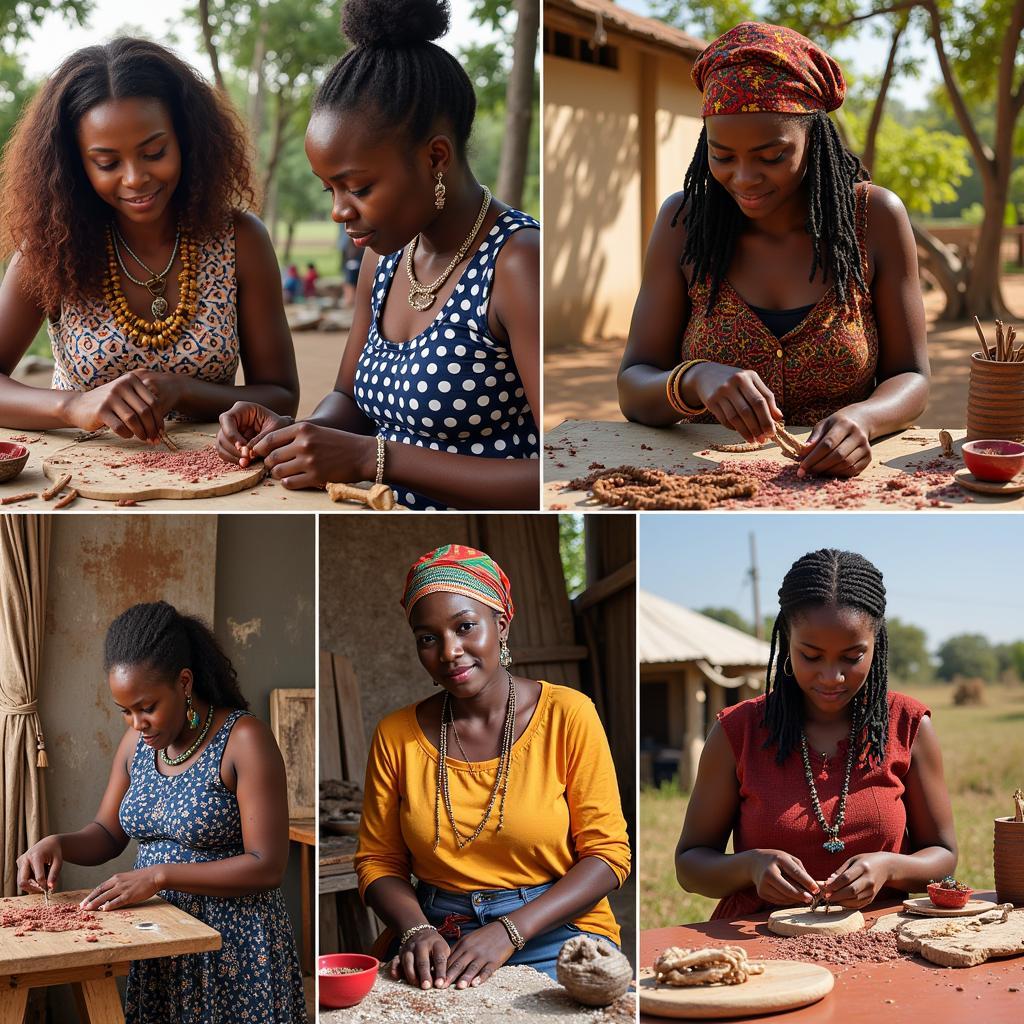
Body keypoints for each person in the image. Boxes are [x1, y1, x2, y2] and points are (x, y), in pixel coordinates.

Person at [216, 0, 540, 510]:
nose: (340, 212)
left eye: (358, 188)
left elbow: (556, 476)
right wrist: (296, 435)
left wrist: (375, 459)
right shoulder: (385, 255)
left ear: (436, 156)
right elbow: (349, 400)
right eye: (330, 191)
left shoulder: (518, 262)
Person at [618, 22, 929, 479]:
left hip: (842, 481)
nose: (744, 178)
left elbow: (912, 377)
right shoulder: (682, 224)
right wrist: (695, 378)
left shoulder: (873, 218)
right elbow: (633, 384)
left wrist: (865, 417)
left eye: (771, 156)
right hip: (704, 483)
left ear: (813, 138)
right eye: (722, 157)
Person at [16, 602, 307, 1023]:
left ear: (184, 682)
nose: (137, 723)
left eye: (147, 707)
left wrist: (158, 875)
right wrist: (57, 843)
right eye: (126, 711)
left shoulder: (243, 739)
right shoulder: (136, 747)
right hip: (159, 940)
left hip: (232, 949)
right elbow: (107, 832)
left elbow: (267, 867)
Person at [354, 545, 630, 988]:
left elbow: (608, 855)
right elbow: (378, 862)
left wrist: (510, 930)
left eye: (465, 627)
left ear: (500, 625)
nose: (449, 651)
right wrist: (416, 929)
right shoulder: (396, 735)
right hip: (437, 932)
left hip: (555, 926)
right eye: (428, 638)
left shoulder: (567, 714)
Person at [0, 38, 299, 443]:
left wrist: (183, 390)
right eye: (107, 162)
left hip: (213, 476)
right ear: (75, 164)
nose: (135, 178)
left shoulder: (240, 241)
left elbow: (282, 397)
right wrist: (73, 405)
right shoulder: (50, 249)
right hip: (77, 482)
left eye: (154, 153)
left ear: (186, 139)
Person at [675, 549, 957, 919]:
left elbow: (944, 856)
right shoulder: (737, 730)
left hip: (884, 939)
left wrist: (890, 867)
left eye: (852, 657)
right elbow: (690, 865)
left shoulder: (909, 724)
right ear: (786, 639)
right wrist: (750, 867)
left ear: (877, 644)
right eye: (810, 655)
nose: (831, 677)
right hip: (757, 941)